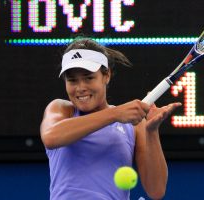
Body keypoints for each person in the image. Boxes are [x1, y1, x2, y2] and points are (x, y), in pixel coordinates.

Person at [40, 38, 181, 200]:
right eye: (72, 80)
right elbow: (51, 137)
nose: (80, 88)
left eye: (88, 78)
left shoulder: (134, 125)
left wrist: (151, 131)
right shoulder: (61, 108)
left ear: (106, 76)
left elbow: (156, 190)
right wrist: (115, 114)